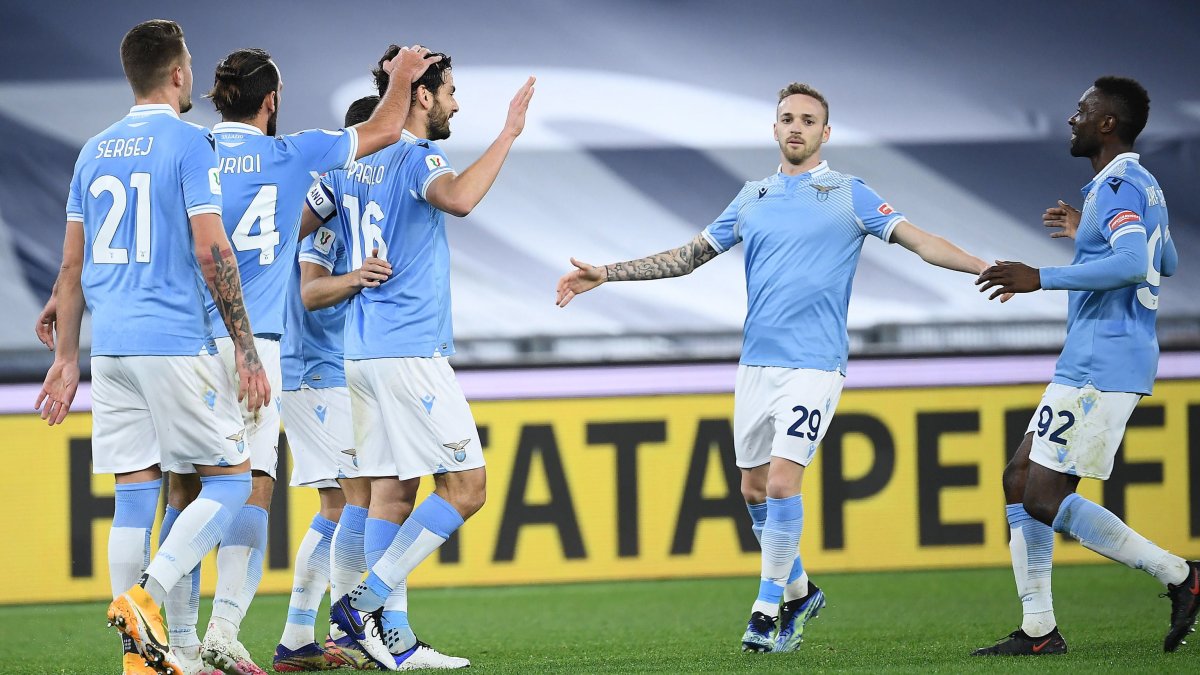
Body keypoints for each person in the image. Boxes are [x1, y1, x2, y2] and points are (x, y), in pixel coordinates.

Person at [556, 82, 996, 654]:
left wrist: (986, 266)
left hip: (815, 364)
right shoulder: (752, 196)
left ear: (825, 133)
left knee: (785, 480)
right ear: (774, 128)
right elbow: (689, 257)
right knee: (755, 487)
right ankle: (800, 590)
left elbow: (921, 242)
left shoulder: (848, 193)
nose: (796, 127)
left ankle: (766, 610)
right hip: (757, 363)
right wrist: (606, 274)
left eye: (808, 121)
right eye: (787, 118)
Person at [154, 45, 439, 675]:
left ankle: (177, 645)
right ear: (271, 100)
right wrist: (399, 79)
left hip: (173, 343)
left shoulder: (182, 152)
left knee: (182, 487)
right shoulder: (293, 155)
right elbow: (385, 127)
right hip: (254, 348)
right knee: (250, 487)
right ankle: (212, 624)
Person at [35, 19, 269, 675]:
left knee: (135, 492)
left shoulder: (94, 151)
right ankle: (146, 598)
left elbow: (72, 269)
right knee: (230, 479)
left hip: (111, 350)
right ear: (175, 73)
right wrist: (246, 349)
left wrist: (66, 357)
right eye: (189, 64)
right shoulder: (190, 144)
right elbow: (211, 247)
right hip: (172, 341)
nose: (192, 74)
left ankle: (136, 660)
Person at [318, 46, 534, 670]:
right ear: (420, 96)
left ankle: (399, 640)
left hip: (361, 353)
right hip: (408, 350)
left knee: (393, 492)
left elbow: (302, 227)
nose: (455, 104)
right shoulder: (415, 154)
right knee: (467, 487)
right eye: (449, 92)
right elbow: (460, 198)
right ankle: (364, 604)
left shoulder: (355, 159)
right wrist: (510, 132)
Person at [973, 76, 1196, 656]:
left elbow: (1129, 266)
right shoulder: (1135, 185)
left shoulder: (1120, 183)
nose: (1071, 118)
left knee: (1042, 496)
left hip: (1103, 360)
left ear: (1106, 125)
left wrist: (1039, 277)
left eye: (1081, 110)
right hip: (1093, 357)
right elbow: (1164, 259)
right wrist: (1087, 234)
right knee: (1019, 480)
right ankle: (1039, 631)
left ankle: (1181, 575)